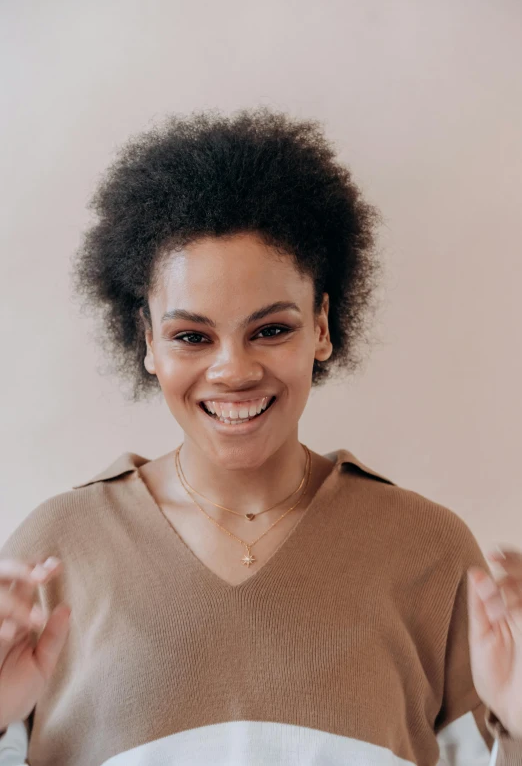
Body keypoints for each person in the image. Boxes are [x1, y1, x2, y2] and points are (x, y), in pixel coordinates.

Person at [0, 107, 520, 766]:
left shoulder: (431, 555)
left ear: (322, 326)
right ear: (148, 343)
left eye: (270, 329)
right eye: (192, 336)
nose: (235, 370)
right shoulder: (55, 552)